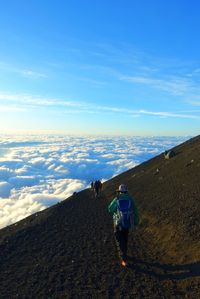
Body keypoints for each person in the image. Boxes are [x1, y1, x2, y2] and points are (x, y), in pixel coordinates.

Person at [108, 184, 139, 267]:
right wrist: (136, 222)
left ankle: (124, 259)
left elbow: (110, 209)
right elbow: (135, 211)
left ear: (119, 191)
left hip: (118, 223)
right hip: (127, 223)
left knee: (119, 241)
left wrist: (116, 211)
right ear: (126, 191)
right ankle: (125, 254)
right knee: (125, 239)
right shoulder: (130, 199)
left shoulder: (117, 198)